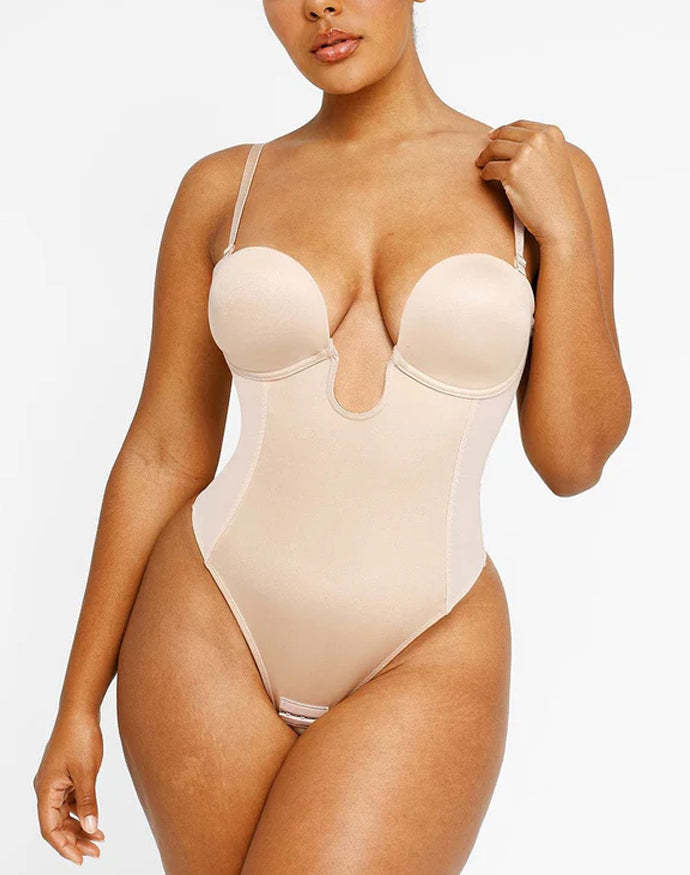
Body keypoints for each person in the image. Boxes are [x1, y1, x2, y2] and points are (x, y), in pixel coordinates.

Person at [33, 1, 631, 871]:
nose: (319, 6)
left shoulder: (544, 179)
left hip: (428, 645)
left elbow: (574, 461)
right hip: (208, 622)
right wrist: (76, 703)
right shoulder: (224, 189)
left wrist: (566, 237)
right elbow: (164, 450)